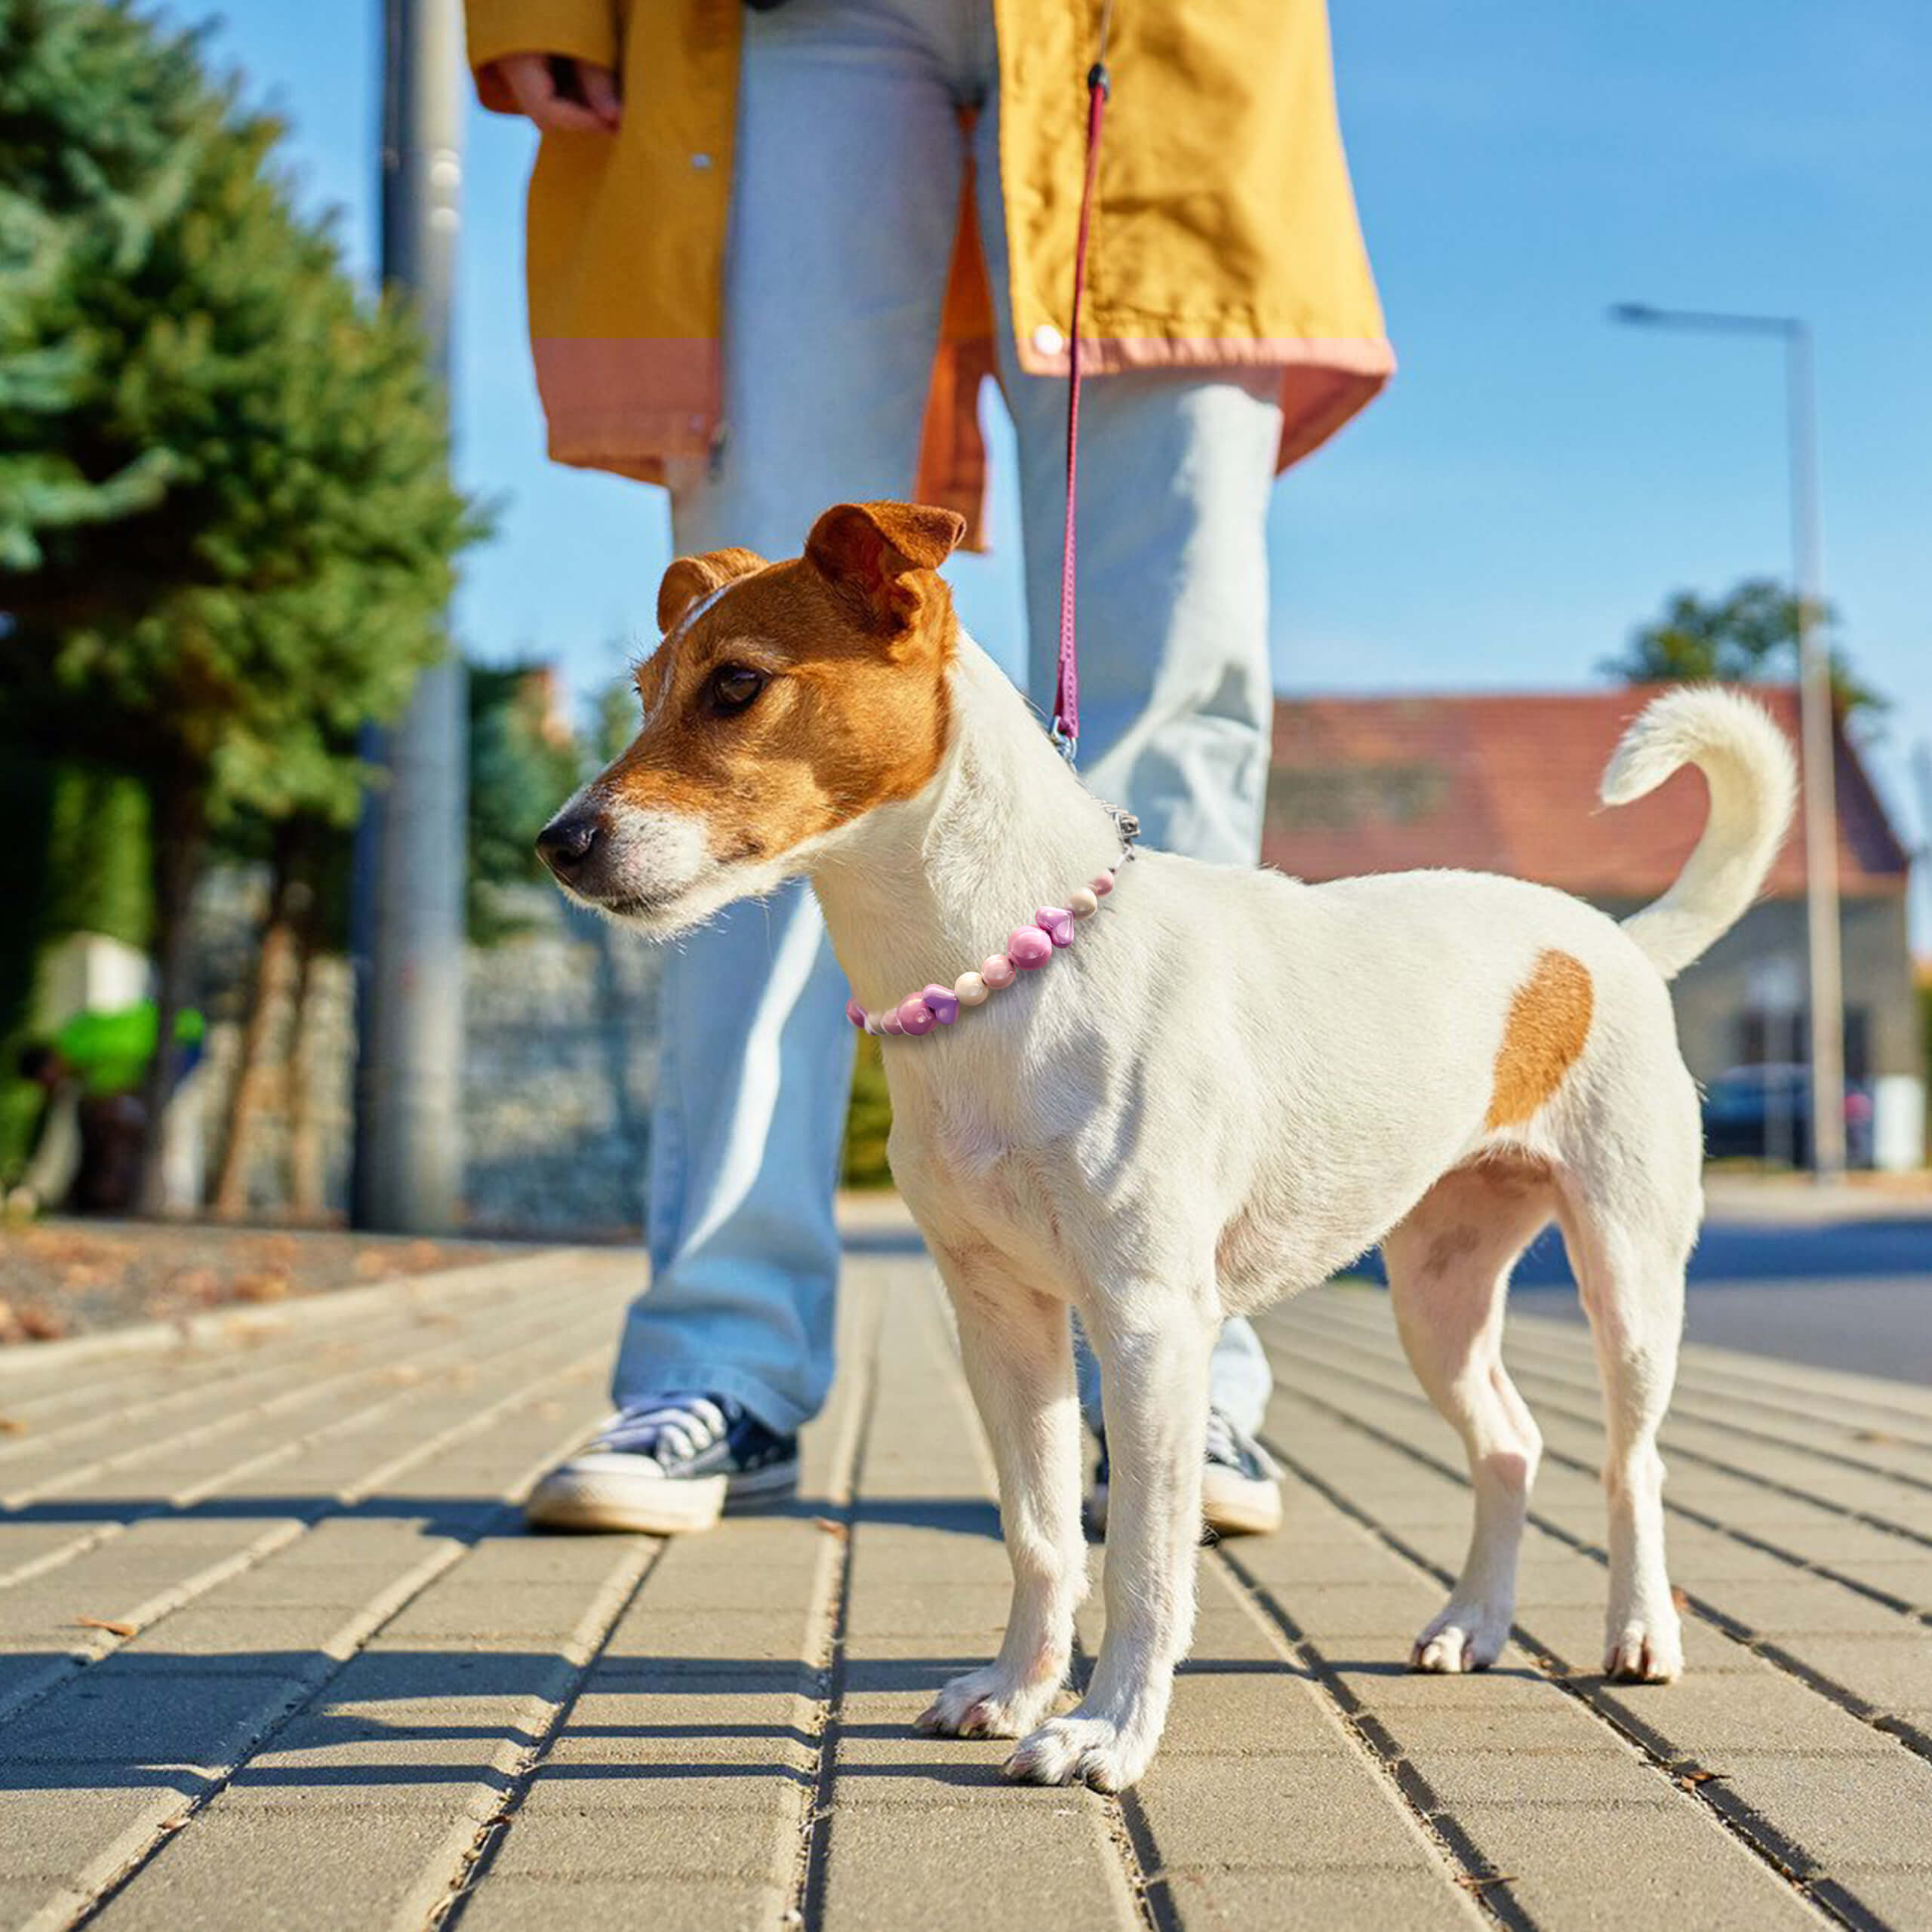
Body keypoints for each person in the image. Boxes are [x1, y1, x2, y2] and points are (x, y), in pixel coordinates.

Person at [464, 0, 1390, 1537]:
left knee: (1176, 679)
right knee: (751, 696)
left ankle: (1177, 1376)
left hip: (1158, 30)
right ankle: (721, 1359)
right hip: (781, 19)